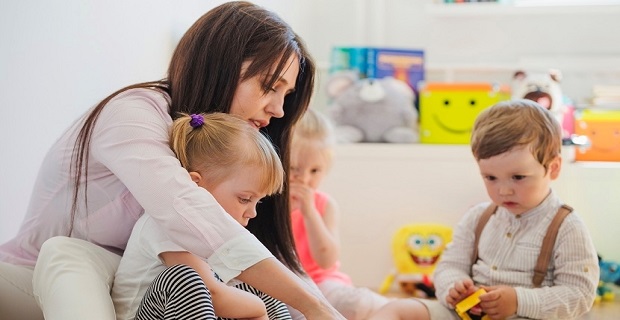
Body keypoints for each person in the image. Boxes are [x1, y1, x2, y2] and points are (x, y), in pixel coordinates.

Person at [0, 2, 344, 320]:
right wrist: (313, 307)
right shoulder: (133, 115)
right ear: (220, 66)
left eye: (286, 95)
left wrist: (322, 309)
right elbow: (187, 210)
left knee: (258, 286)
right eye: (270, 86)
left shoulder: (224, 160)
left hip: (128, 288)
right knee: (69, 251)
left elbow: (267, 257)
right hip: (34, 278)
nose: (279, 109)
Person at [369, 99, 600, 320]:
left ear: (553, 168)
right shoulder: (478, 217)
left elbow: (579, 295)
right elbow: (449, 266)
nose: (503, 191)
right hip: (465, 314)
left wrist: (518, 301)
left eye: (518, 177)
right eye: (490, 178)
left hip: (527, 316)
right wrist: (454, 287)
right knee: (399, 309)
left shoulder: (567, 227)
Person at [113, 112, 289, 320]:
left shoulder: (215, 237)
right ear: (196, 185)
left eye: (257, 201)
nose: (252, 213)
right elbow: (215, 296)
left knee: (264, 284)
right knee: (184, 279)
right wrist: (259, 309)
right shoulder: (167, 224)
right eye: (244, 199)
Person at [289, 109, 393, 320]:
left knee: (360, 303)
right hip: (288, 288)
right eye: (294, 169)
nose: (305, 180)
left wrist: (309, 213)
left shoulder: (324, 205)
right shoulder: (265, 201)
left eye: (315, 171)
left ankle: (404, 311)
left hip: (324, 284)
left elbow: (327, 261)